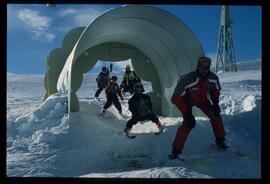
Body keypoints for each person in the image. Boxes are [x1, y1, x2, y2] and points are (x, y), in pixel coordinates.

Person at [169, 56, 228, 159]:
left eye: (207, 67)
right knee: (188, 123)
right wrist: (187, 113)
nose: (204, 70)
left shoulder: (213, 78)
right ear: (197, 67)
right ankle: (176, 151)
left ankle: (220, 140)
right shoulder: (188, 79)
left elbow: (215, 91)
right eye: (201, 67)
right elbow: (175, 98)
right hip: (186, 100)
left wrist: (215, 104)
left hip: (202, 100)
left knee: (215, 115)